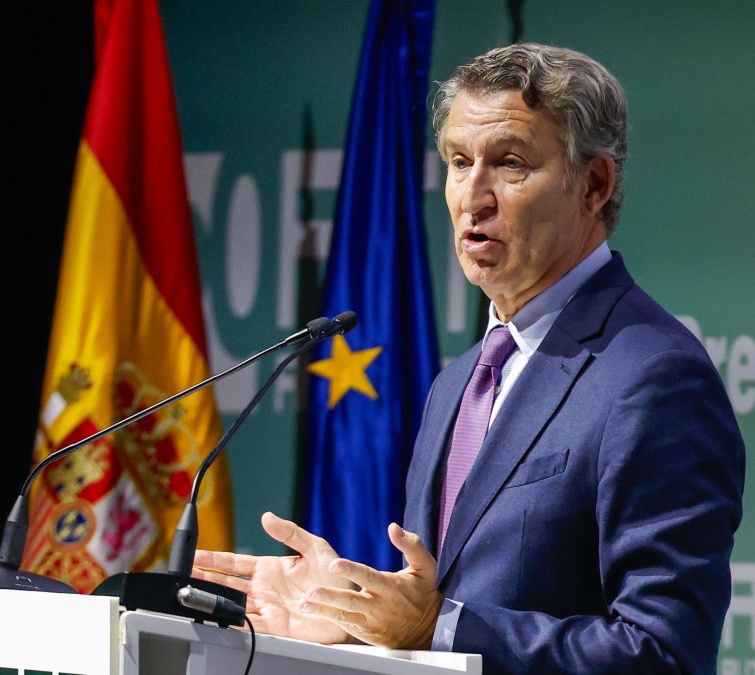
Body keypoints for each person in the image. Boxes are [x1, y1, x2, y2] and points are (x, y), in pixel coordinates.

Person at [194, 43, 745, 673]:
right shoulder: (457, 383)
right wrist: (350, 618)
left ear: (592, 184)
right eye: (459, 162)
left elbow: (665, 653)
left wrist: (439, 629)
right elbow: (441, 609)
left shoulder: (653, 377)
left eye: (510, 164)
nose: (472, 196)